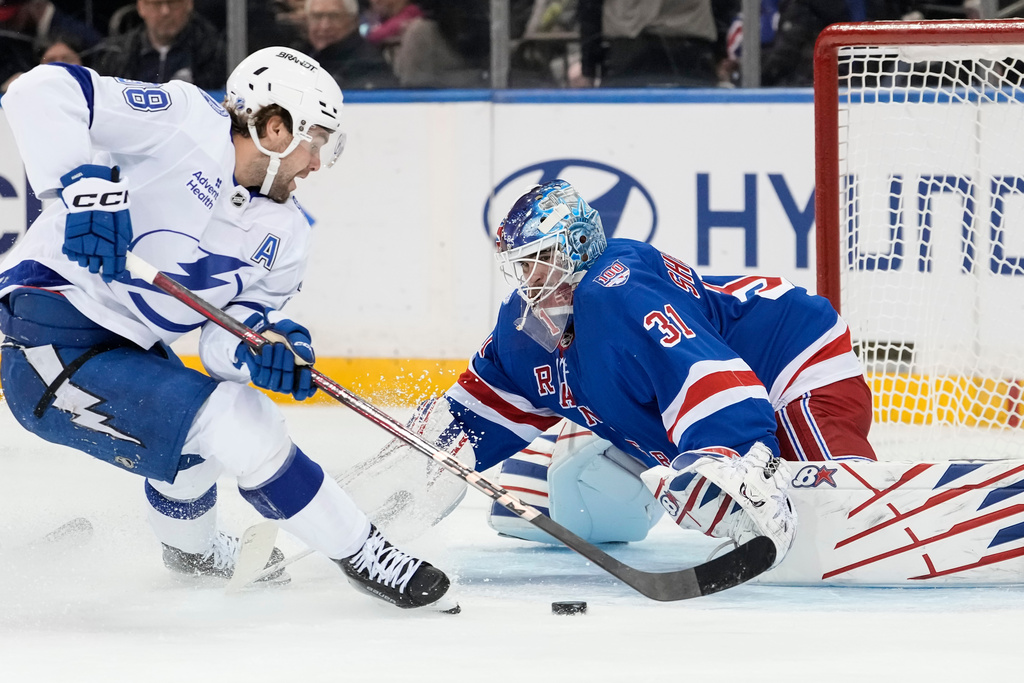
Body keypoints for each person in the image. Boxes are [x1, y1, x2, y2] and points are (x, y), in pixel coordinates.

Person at [0, 46, 452, 610]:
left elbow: (221, 341)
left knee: (195, 453)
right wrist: (76, 185)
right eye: (315, 139)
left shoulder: (287, 235)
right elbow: (39, 90)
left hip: (124, 348)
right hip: (45, 338)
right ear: (274, 127)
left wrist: (266, 349)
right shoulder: (184, 123)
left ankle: (190, 553)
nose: (316, 163)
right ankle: (364, 551)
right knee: (240, 420)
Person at [363, 179, 877, 564]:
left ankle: (870, 501)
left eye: (543, 258)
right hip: (689, 413)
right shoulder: (523, 331)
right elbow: (472, 419)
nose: (532, 279)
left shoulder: (617, 288)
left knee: (826, 507)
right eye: (523, 266)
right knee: (543, 493)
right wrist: (416, 464)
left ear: (579, 246)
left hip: (789, 359)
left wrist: (730, 456)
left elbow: (705, 375)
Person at [573, 0, 720, 87]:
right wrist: (721, 55)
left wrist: (589, 67)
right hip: (691, 55)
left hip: (625, 58)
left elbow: (590, 8)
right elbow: (723, 6)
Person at [90, 0, 225, 91]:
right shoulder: (115, 54)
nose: (165, 11)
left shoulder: (215, 50)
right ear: (141, 7)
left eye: (173, 2)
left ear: (189, 4)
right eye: (156, 3)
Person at [301, 0, 398, 90]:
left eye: (334, 16)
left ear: (353, 21)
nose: (324, 26)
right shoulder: (298, 55)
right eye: (317, 17)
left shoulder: (369, 64)